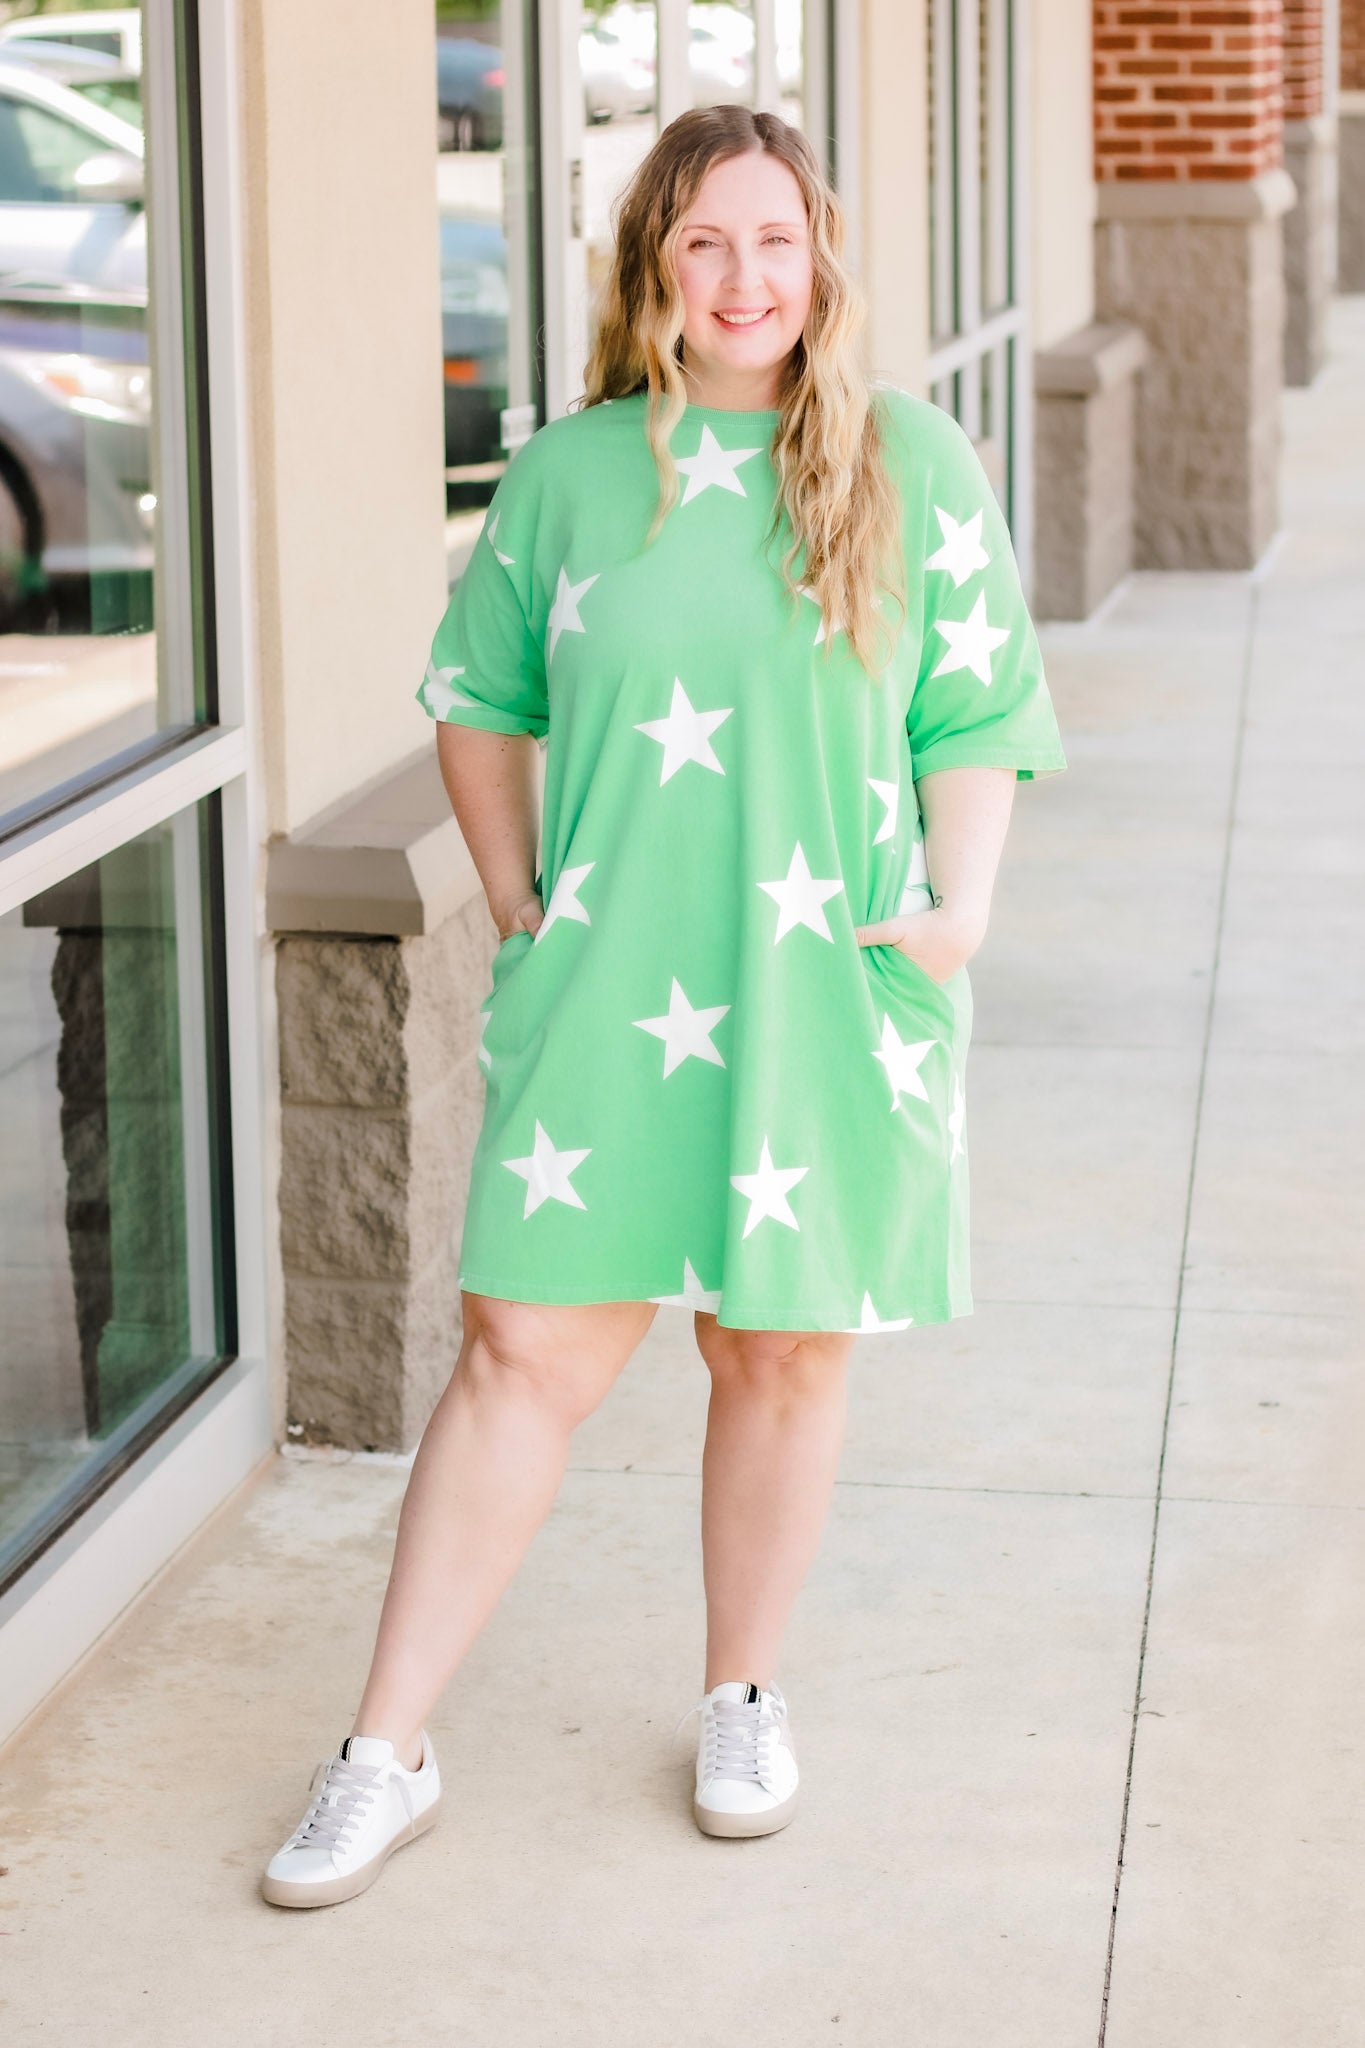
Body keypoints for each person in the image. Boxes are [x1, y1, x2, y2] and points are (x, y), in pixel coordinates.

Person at [261, 103, 1067, 1910]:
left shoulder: (908, 462)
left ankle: (741, 1694)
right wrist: (514, 899)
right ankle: (383, 1749)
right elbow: (478, 700)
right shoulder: (567, 475)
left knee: (776, 1349)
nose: (741, 278)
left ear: (820, 257)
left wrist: (955, 915)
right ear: (650, 269)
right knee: (518, 1355)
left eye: (773, 239)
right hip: (613, 984)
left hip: (827, 975)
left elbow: (976, 710)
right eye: (703, 241)